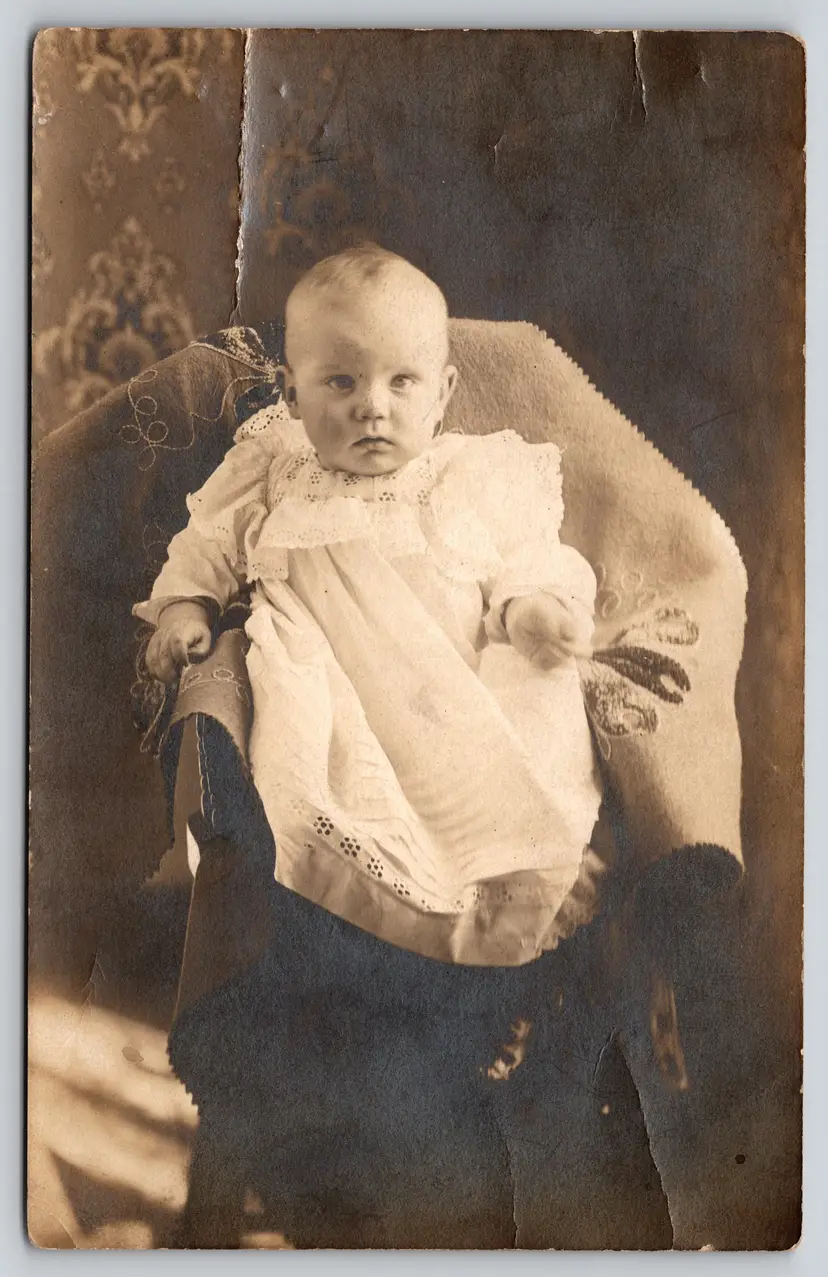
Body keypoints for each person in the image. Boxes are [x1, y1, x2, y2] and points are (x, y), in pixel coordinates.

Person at [134, 245, 675, 1247]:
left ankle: (489, 991)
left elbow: (535, 556)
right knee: (326, 816)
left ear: (444, 392)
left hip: (455, 694)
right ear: (295, 390)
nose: (371, 407)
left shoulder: (476, 473)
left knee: (504, 819)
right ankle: (357, 1007)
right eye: (340, 382)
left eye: (400, 382)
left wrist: (536, 608)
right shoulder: (272, 460)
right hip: (333, 695)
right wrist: (185, 605)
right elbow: (205, 543)